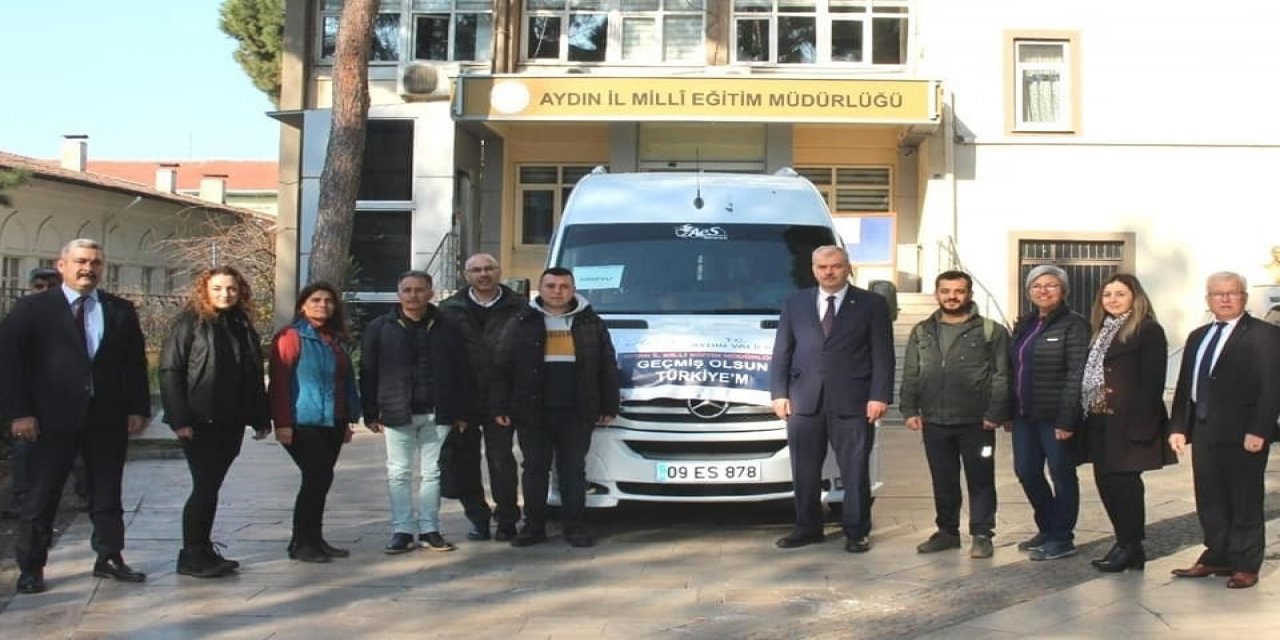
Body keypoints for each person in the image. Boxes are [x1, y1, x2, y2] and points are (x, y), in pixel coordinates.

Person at [0, 239, 151, 594]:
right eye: (81, 261)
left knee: (106, 493)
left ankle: (109, 556)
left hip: (106, 419)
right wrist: (20, 413)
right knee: (42, 496)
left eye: (96, 262)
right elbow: (10, 365)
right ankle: (32, 566)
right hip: (49, 421)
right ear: (62, 265)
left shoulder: (119, 310)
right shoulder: (32, 309)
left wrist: (138, 408)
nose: (89, 268)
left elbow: (135, 365)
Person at [770, 245, 894, 554]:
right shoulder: (795, 303)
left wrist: (879, 395)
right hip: (803, 402)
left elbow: (883, 355)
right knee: (804, 469)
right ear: (813, 269)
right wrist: (779, 393)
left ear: (848, 267)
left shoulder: (871, 304)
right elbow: (781, 352)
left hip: (853, 401)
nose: (829, 272)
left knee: (854, 470)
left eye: (835, 266)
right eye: (822, 267)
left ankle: (856, 531)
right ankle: (807, 527)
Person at [492, 267, 619, 548]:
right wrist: (500, 405)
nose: (557, 291)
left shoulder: (591, 323)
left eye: (564, 286)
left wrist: (609, 404)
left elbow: (607, 366)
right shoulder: (521, 321)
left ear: (573, 289)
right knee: (534, 470)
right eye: (551, 286)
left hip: (577, 410)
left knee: (573, 471)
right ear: (541, 289)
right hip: (532, 410)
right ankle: (533, 527)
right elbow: (502, 366)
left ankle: (574, 527)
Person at [1168, 272, 1280, 589]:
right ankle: (1217, 556)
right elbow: (1185, 384)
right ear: (1208, 299)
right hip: (1204, 430)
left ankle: (1245, 563)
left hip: (1245, 434)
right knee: (1210, 497)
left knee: (1244, 499)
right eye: (1218, 294)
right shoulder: (1198, 336)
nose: (1226, 299)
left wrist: (1260, 429)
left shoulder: (1264, 335)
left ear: (1244, 297)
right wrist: (1179, 426)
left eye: (1232, 293)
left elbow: (1272, 388)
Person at [159, 266, 270, 578]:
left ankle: (203, 548)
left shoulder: (241, 324)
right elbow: (170, 371)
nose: (225, 294)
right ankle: (191, 554)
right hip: (198, 421)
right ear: (205, 290)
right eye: (218, 288)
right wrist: (180, 419)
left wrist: (260, 417)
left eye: (231, 289)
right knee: (204, 487)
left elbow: (251, 375)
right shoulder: (189, 322)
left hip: (229, 420)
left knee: (211, 486)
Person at [900, 270, 1010, 559]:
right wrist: (909, 408)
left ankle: (982, 534)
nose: (952, 296)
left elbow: (1002, 376)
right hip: (935, 422)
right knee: (943, 478)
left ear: (969, 294)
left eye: (958, 291)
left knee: (981, 478)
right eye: (946, 291)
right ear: (937, 294)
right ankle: (947, 532)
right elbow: (912, 371)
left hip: (977, 422)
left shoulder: (991, 331)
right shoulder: (922, 330)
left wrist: (995, 412)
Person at [360, 270, 469, 554]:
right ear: (399, 293)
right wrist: (370, 410)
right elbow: (368, 371)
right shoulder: (380, 327)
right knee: (399, 473)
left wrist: (461, 410)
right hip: (397, 412)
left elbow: (462, 370)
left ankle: (430, 528)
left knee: (432, 473)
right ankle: (402, 530)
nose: (413, 295)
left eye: (419, 289)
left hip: (438, 412)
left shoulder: (448, 326)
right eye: (407, 290)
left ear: (431, 293)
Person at [1080, 274, 1175, 573]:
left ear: (1136, 298)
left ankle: (1130, 545)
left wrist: (1142, 426)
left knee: (1125, 486)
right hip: (1099, 419)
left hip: (1129, 422)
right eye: (1107, 294)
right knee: (1106, 483)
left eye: (1120, 294)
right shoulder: (1101, 331)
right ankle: (1126, 544)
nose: (1112, 300)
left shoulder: (1147, 331)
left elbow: (1152, 383)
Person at [268, 281, 360, 563]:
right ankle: (301, 543)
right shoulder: (291, 336)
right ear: (303, 305)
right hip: (302, 421)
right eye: (316, 300)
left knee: (320, 480)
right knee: (316, 478)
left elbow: (344, 382)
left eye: (328, 301)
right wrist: (282, 423)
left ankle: (315, 539)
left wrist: (347, 421)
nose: (323, 305)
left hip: (332, 421)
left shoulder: (334, 340)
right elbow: (280, 382)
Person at [438, 253, 524, 542]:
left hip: (503, 400)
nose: (483, 274)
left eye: (489, 268)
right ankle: (477, 518)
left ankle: (508, 519)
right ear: (466, 275)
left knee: (501, 461)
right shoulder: (449, 310)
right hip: (464, 400)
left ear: (499, 271)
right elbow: (443, 360)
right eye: (476, 270)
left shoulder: (519, 308)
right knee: (464, 462)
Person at [1008, 264, 1089, 561]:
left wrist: (1067, 418)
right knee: (1026, 471)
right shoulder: (1026, 323)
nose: (1043, 290)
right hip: (1025, 415)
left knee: (1062, 475)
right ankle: (1048, 527)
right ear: (1029, 291)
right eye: (1037, 285)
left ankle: (1062, 537)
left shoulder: (1074, 324)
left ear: (1063, 290)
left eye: (1051, 285)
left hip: (1056, 417)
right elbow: (1013, 369)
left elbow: (1076, 373)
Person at [3, 267, 91, 521]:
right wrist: (19, 410)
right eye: (38, 286)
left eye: (49, 286)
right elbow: (12, 361)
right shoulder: (25, 313)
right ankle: (22, 498)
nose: (43, 292)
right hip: (33, 402)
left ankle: (85, 494)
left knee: (78, 455)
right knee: (24, 451)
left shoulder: (76, 314)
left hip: (69, 400)